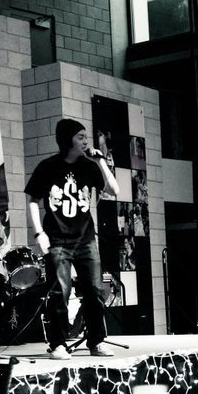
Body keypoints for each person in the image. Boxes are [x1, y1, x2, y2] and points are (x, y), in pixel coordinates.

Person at [25, 119, 120, 360]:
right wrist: (39, 233)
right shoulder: (47, 167)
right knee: (60, 292)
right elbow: (33, 200)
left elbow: (114, 190)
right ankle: (58, 344)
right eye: (81, 137)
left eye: (86, 136)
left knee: (95, 290)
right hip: (57, 240)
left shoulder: (89, 166)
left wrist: (101, 161)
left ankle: (96, 341)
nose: (86, 141)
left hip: (85, 239)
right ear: (68, 140)